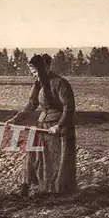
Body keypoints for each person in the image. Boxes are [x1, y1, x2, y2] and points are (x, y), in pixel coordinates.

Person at [6, 54, 77, 197]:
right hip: (42, 125)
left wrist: (58, 126)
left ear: (47, 68)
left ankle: (55, 191)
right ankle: (24, 188)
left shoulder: (60, 83)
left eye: (37, 72)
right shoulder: (38, 84)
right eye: (32, 73)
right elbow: (31, 104)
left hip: (58, 128)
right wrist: (15, 120)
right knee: (32, 154)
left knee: (54, 160)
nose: (35, 76)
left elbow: (69, 107)